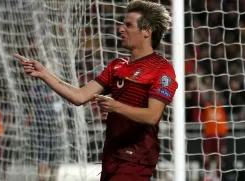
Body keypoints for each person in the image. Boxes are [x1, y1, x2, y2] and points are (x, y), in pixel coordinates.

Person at [14, 0, 178, 181]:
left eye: (128, 25)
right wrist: (44, 73)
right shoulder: (116, 66)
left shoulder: (161, 69)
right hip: (111, 155)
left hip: (137, 158)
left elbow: (152, 116)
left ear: (147, 31)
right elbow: (79, 96)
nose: (121, 29)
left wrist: (117, 107)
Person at [200, 90, 228, 181]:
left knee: (218, 157)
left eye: (216, 97)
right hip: (208, 135)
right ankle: (207, 175)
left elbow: (224, 122)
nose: (214, 98)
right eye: (213, 96)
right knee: (206, 156)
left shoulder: (221, 107)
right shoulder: (206, 107)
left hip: (219, 135)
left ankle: (217, 176)